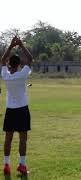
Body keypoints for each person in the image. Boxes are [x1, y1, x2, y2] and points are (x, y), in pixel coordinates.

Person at [1, 36, 33, 175]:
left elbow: (2, 60)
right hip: (22, 110)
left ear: (9, 64)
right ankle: (22, 165)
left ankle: (6, 165)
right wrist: (21, 44)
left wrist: (10, 46)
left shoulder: (6, 76)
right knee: (23, 140)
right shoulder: (22, 75)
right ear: (19, 64)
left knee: (8, 139)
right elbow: (30, 59)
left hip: (10, 111)